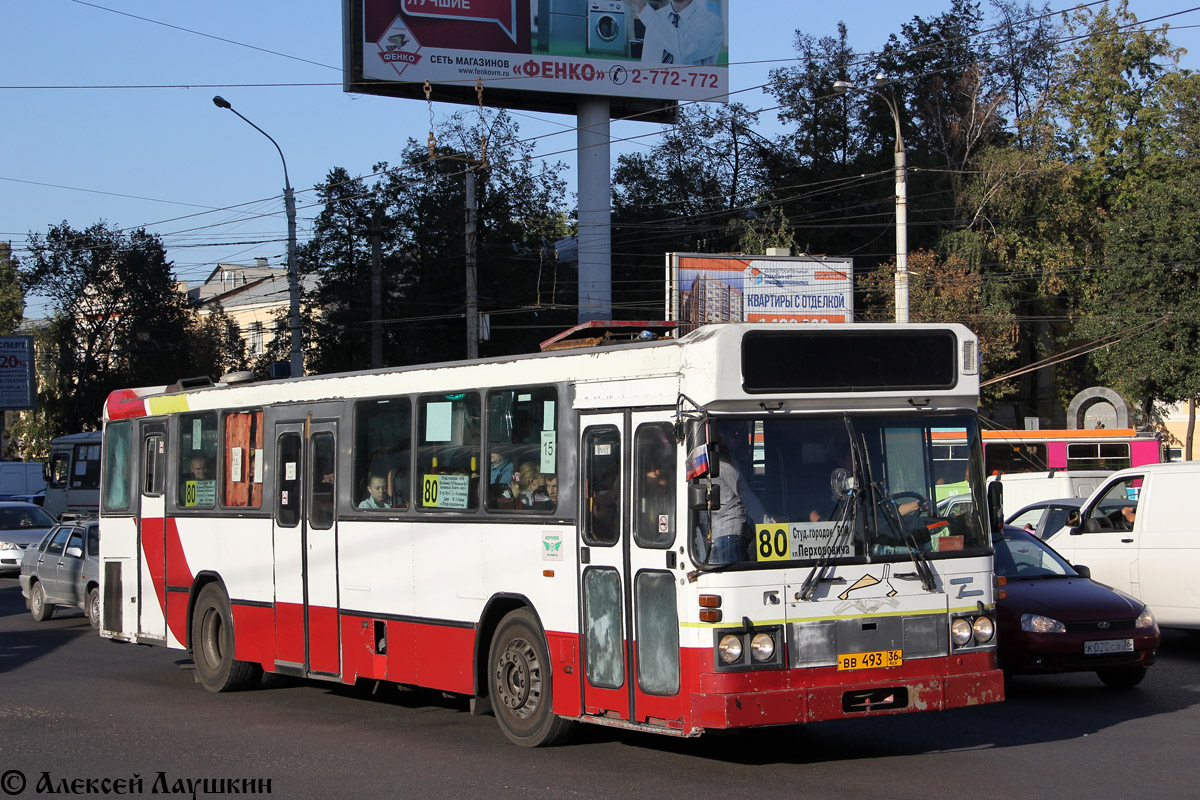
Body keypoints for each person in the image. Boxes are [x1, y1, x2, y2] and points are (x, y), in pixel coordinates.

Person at [706, 423, 771, 563]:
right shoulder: (725, 466)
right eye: (735, 435)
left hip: (720, 534)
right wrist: (769, 525)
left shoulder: (714, 464)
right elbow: (747, 500)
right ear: (720, 437)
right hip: (729, 536)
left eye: (742, 435)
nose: (740, 440)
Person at [628, 0, 724, 67]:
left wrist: (643, 8)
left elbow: (685, 51)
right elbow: (648, 61)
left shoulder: (712, 22)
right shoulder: (655, 16)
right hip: (653, 93)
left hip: (690, 95)